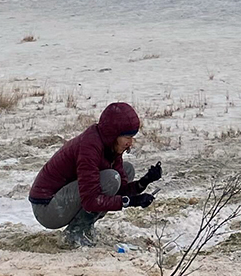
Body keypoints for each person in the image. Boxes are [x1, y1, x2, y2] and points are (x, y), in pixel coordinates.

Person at [29, 102, 161, 247]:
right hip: (47, 208)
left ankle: (84, 227)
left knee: (127, 169)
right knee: (111, 178)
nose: (130, 143)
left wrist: (144, 182)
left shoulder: (110, 146)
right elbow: (91, 200)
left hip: (64, 200)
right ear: (114, 135)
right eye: (128, 137)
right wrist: (131, 201)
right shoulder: (90, 147)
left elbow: (119, 190)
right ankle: (75, 233)